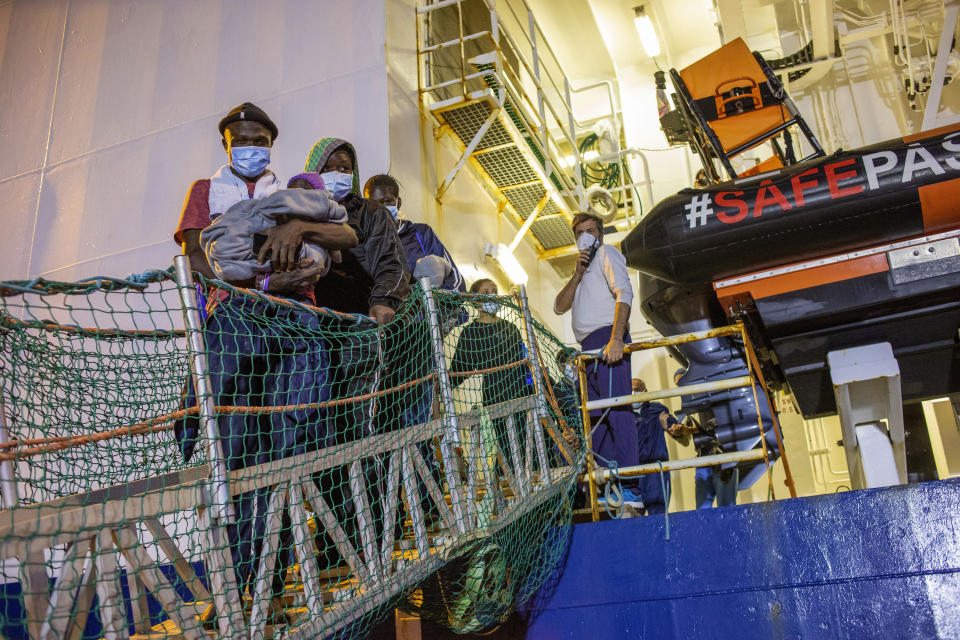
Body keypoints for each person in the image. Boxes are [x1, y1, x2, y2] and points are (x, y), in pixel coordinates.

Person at [553, 212, 642, 509]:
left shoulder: (607, 252)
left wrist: (617, 338)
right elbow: (558, 307)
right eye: (580, 232)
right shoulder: (581, 270)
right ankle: (608, 483)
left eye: (590, 230)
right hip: (586, 349)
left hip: (607, 339)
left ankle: (630, 484)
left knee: (618, 410)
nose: (585, 235)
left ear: (600, 234)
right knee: (595, 419)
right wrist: (577, 273)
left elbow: (624, 293)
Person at [450, 279, 529, 465]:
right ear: (476, 299)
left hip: (522, 395)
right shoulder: (472, 332)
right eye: (486, 291)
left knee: (530, 444)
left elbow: (524, 361)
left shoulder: (510, 328)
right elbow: (459, 368)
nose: (491, 295)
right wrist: (441, 388)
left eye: (494, 291)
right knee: (509, 448)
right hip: (497, 399)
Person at [363, 174, 465, 292]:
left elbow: (456, 282)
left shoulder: (421, 233)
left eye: (387, 201)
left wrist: (438, 304)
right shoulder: (364, 243)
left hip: (430, 309)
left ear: (398, 203)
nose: (381, 208)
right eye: (373, 204)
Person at [630, 378, 674, 514]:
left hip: (656, 473)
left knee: (658, 518)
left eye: (637, 390)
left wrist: (672, 426)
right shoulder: (622, 415)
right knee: (633, 520)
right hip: (632, 474)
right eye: (630, 390)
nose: (633, 394)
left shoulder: (657, 410)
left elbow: (671, 422)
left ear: (645, 392)